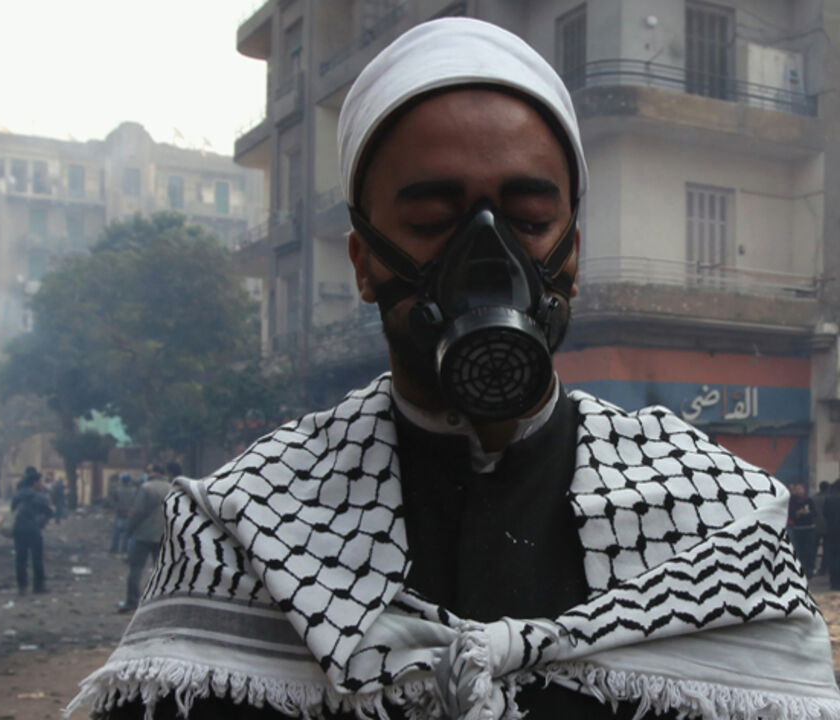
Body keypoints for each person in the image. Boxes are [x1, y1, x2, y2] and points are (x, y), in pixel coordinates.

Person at [71, 18, 840, 720]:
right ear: (366, 262)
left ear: (571, 254)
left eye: (531, 223)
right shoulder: (243, 532)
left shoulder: (719, 522)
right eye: (434, 223)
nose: (488, 258)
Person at [117, 463, 174, 614]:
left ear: (153, 473)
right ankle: (160, 601)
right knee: (161, 569)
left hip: (144, 534)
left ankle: (132, 601)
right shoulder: (171, 488)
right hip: (164, 533)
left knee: (136, 568)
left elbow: (138, 512)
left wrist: (129, 530)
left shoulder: (146, 487)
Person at [11, 467, 52, 595]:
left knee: (20, 559)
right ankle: (38, 586)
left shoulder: (18, 494)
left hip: (18, 529)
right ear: (34, 483)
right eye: (40, 482)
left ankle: (22, 587)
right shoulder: (39, 496)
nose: (42, 484)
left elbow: (12, 509)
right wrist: (40, 523)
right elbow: (49, 512)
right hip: (33, 529)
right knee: (37, 558)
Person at [789, 483, 819, 578]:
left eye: (800, 489)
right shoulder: (792, 501)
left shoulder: (809, 500)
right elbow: (790, 514)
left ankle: (809, 570)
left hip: (809, 528)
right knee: (799, 551)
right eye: (797, 489)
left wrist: (806, 513)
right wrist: (797, 514)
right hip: (797, 529)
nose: (799, 491)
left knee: (809, 551)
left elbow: (814, 512)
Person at [107, 473, 135, 555]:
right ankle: (124, 549)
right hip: (130, 513)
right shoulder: (134, 490)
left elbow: (111, 501)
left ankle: (114, 548)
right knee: (127, 532)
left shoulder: (117, 490)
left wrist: (115, 507)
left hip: (120, 512)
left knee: (117, 532)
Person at [824, 481, 840, 590]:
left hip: (831, 530)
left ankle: (833, 581)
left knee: (832, 555)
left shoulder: (829, 498)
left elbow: (825, 513)